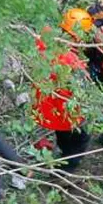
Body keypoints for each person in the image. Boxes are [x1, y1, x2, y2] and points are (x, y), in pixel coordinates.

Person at [33, 10, 93, 171]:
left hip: (45, 105)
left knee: (63, 136)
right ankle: (65, 173)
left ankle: (62, 156)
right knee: (81, 140)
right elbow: (85, 95)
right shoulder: (72, 62)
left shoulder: (43, 38)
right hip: (65, 112)